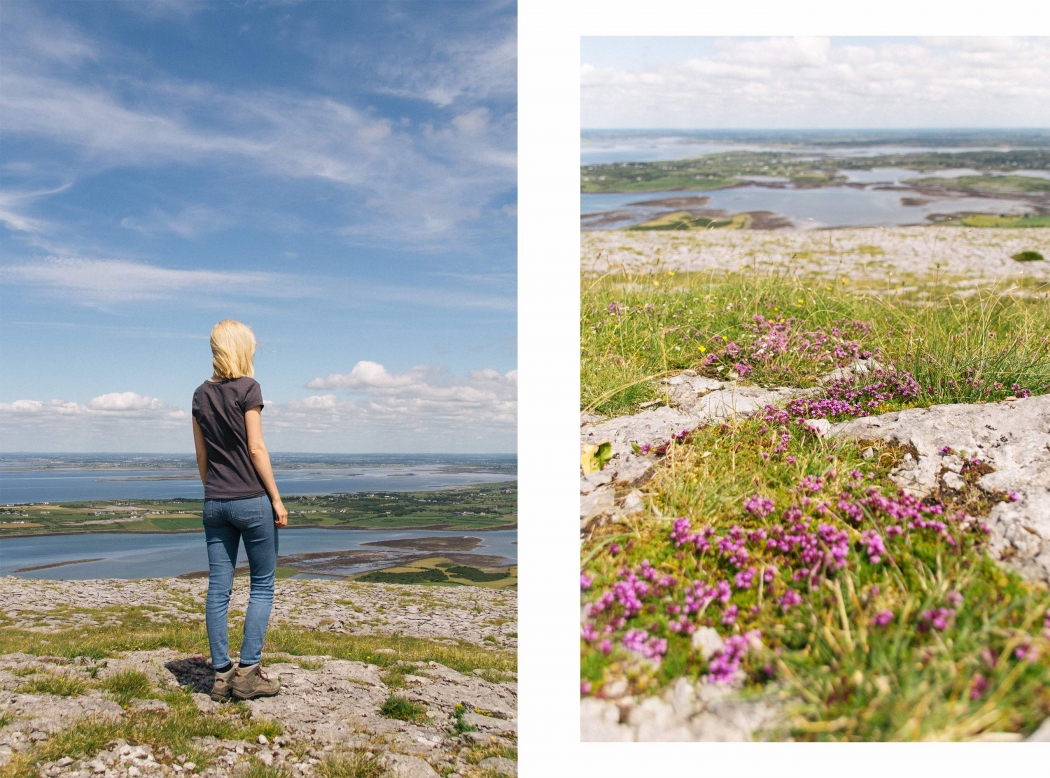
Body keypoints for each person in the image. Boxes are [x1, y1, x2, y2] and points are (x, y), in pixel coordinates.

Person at [191, 319, 288, 701]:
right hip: (251, 500)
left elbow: (201, 455)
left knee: (219, 588)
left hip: (214, 501)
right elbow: (257, 449)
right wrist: (276, 499)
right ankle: (248, 673)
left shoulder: (200, 394)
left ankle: (220, 676)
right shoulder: (249, 388)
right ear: (243, 348)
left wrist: (213, 491)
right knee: (262, 584)